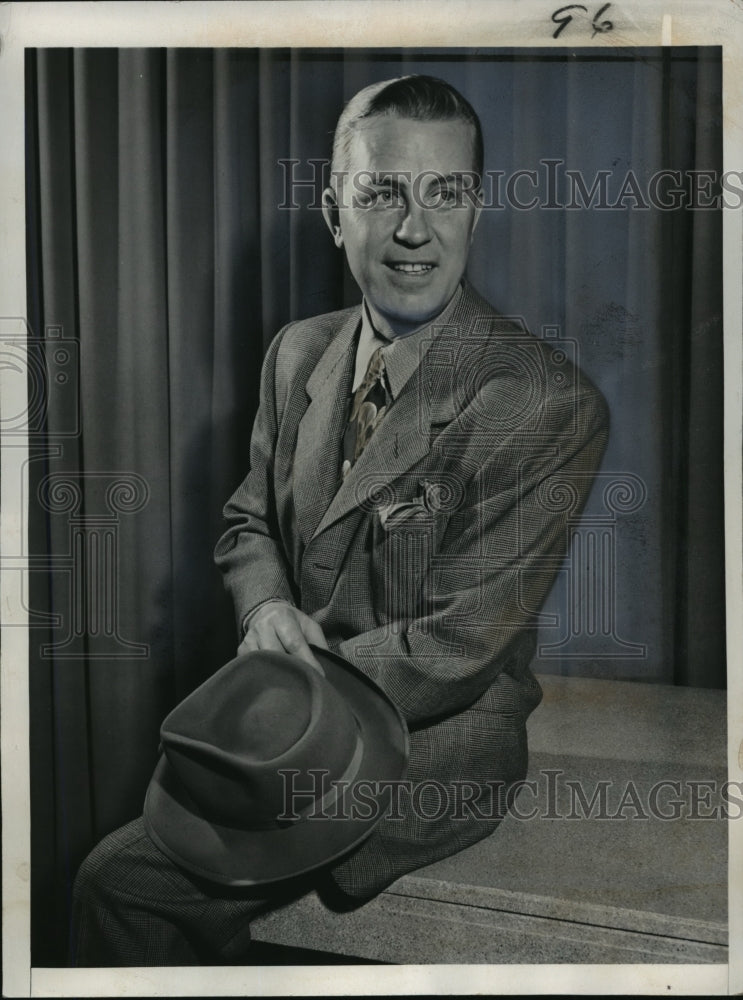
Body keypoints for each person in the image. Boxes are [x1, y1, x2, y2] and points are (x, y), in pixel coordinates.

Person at [70, 74, 609, 966]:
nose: (413, 229)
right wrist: (263, 609)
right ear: (333, 213)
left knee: (116, 884)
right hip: (291, 718)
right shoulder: (299, 352)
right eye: (380, 192)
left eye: (445, 193)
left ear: (475, 212)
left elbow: (458, 647)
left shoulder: (542, 399)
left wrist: (274, 690)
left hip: (428, 745)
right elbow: (247, 523)